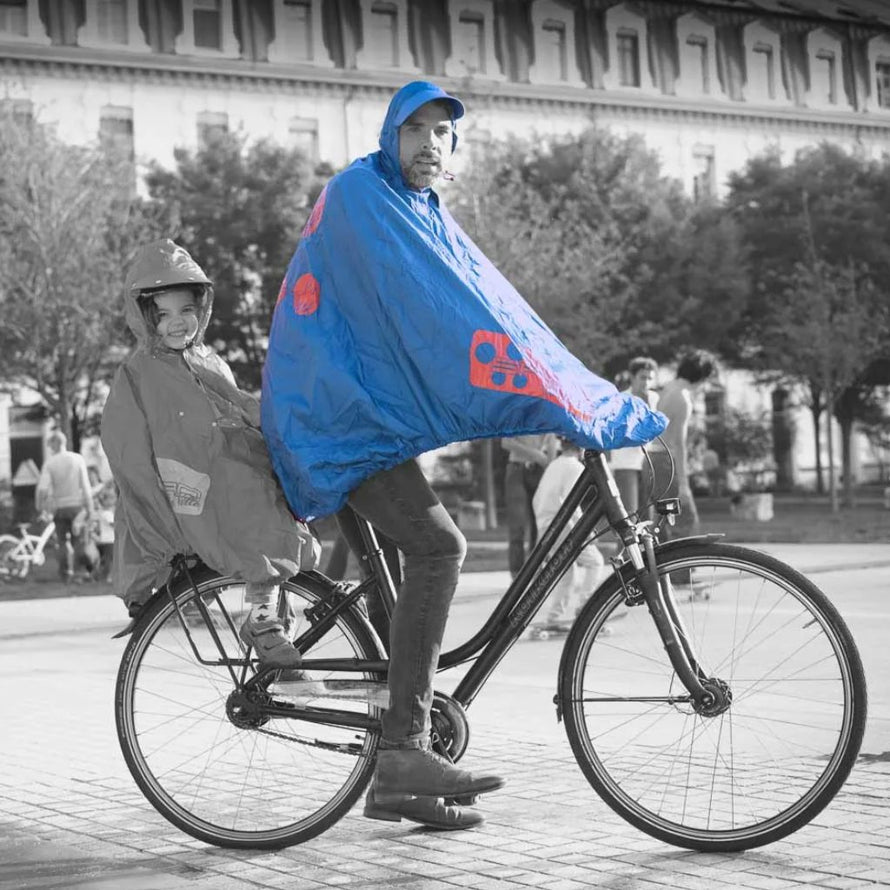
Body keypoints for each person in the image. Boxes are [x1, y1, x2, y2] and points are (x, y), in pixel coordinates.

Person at [261, 81, 666, 831]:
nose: (428, 143)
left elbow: (496, 302)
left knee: (404, 590)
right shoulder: (363, 194)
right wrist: (554, 397)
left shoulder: (423, 210)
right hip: (333, 421)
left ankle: (398, 781)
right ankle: (407, 747)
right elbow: (449, 313)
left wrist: (568, 388)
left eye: (443, 132)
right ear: (390, 134)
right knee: (441, 548)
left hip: (359, 418)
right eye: (413, 128)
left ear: (455, 148)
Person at [101, 239, 319, 667]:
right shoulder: (137, 374)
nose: (177, 323)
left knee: (289, 488)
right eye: (162, 315)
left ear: (201, 309)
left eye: (185, 310)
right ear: (145, 317)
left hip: (226, 466)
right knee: (253, 501)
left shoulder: (209, 361)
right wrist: (159, 525)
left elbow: (238, 404)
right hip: (187, 487)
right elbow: (129, 455)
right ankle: (261, 616)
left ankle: (279, 605)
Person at [529, 438, 607, 633]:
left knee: (568, 573)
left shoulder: (553, 464)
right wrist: (585, 528)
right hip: (562, 524)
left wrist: (542, 524)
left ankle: (554, 617)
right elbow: (570, 502)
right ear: (580, 448)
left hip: (546, 523)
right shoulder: (575, 467)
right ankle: (585, 609)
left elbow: (537, 498)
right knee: (595, 561)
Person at [648, 349, 717, 540]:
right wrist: (684, 484)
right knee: (684, 521)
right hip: (667, 461)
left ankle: (660, 568)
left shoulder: (668, 388)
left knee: (660, 524)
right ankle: (680, 568)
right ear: (702, 376)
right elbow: (679, 444)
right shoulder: (683, 399)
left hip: (651, 458)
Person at [35, 431, 94, 582]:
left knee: (62, 541)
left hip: (60, 508)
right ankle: (81, 572)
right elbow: (86, 486)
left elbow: (43, 488)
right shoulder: (78, 459)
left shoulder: (50, 463)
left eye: (50, 444)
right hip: (77, 507)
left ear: (55, 443)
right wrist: (90, 507)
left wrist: (40, 505)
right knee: (79, 540)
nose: (49, 448)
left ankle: (66, 573)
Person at [501, 434, 558, 577]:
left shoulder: (547, 415)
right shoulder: (517, 412)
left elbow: (551, 448)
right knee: (517, 526)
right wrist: (536, 454)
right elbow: (506, 442)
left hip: (539, 471)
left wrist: (550, 465)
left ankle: (536, 572)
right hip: (516, 470)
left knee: (539, 525)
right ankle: (516, 576)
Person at [610, 357, 659, 517]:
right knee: (628, 516)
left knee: (648, 516)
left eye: (650, 378)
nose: (646, 382)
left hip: (648, 462)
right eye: (642, 377)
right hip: (626, 463)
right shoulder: (621, 399)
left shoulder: (655, 398)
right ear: (632, 377)